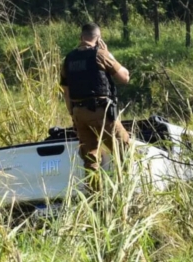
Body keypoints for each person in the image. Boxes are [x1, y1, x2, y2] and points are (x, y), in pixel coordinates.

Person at [60, 22, 131, 194]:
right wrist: (108, 54)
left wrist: (74, 116)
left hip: (79, 113)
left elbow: (66, 91)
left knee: (90, 158)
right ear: (98, 38)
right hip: (100, 111)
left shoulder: (69, 59)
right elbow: (125, 77)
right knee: (124, 148)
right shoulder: (100, 54)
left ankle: (95, 200)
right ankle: (126, 192)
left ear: (81, 37)